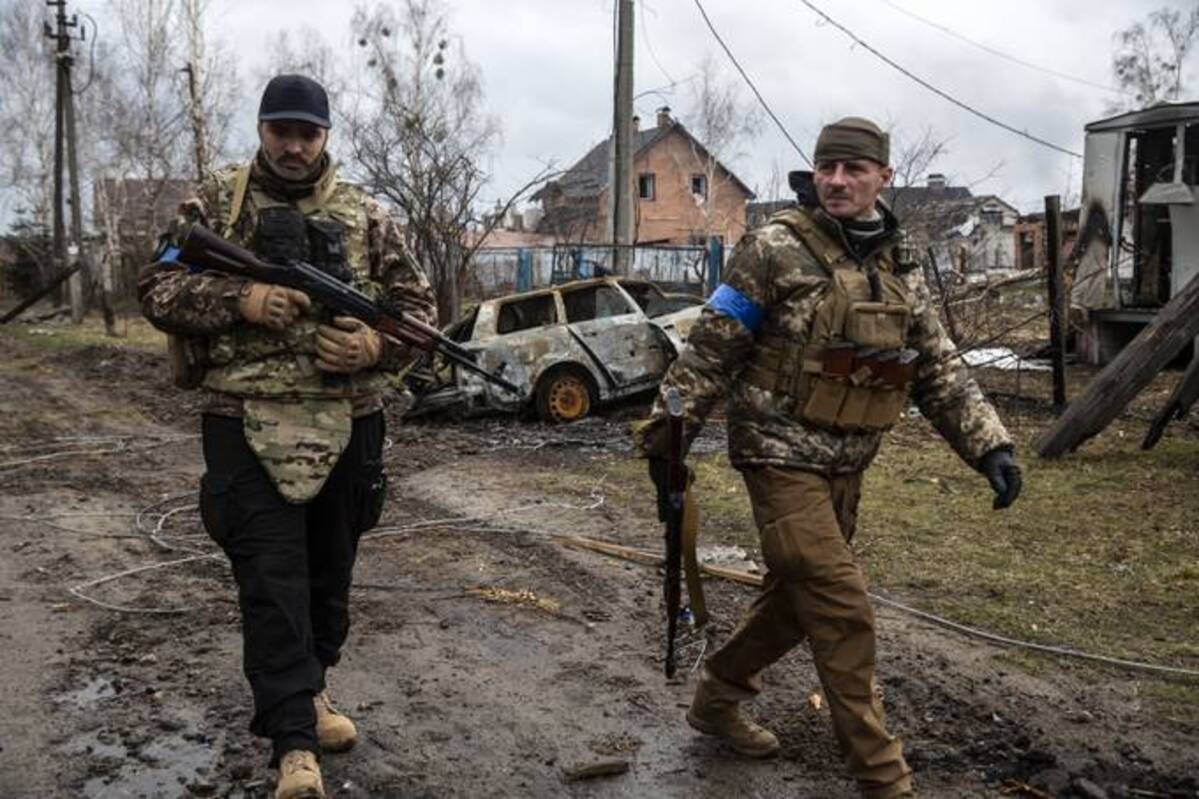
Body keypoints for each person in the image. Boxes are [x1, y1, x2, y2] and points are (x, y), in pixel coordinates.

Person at [633, 116, 1022, 799]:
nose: (837, 181)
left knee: (795, 604)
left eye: (852, 170)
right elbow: (711, 347)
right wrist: (667, 436)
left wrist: (987, 443)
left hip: (847, 461)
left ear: (883, 178)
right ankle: (882, 776)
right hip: (776, 455)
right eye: (826, 169)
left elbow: (934, 363)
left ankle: (717, 696)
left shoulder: (899, 259)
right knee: (841, 607)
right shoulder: (774, 247)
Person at [139, 74, 438, 799]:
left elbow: (419, 313)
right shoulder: (217, 201)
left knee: (330, 576)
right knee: (271, 580)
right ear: (263, 129)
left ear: (326, 135)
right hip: (244, 417)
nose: (295, 146)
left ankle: (311, 689)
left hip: (349, 420)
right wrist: (243, 298)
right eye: (282, 131)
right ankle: (293, 747)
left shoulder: (369, 213)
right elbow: (155, 287)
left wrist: (373, 348)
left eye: (308, 133)